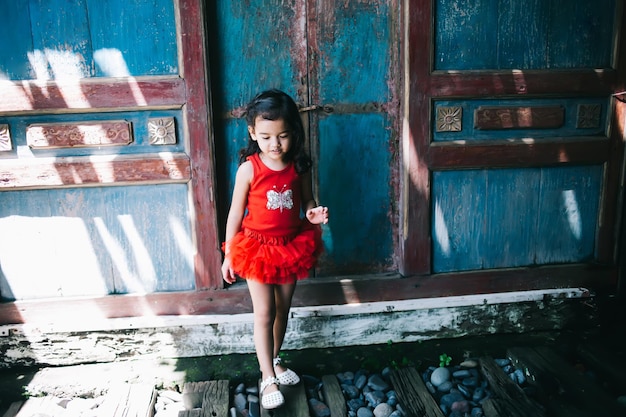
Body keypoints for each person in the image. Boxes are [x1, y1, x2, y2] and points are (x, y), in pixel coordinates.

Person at [221, 89, 329, 410]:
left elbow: (307, 201)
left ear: (294, 132)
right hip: (255, 248)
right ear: (253, 133)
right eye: (266, 136)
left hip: (290, 245)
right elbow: (235, 215)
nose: (275, 144)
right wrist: (229, 254)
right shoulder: (249, 169)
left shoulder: (299, 166)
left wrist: (312, 212)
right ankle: (266, 374)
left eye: (282, 136)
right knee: (264, 312)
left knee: (283, 309)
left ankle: (276, 358)